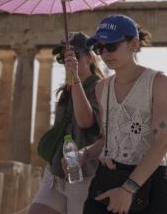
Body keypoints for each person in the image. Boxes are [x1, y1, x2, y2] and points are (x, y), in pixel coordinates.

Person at [79, 14, 167, 214]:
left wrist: (128, 189)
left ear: (133, 44)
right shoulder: (101, 88)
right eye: (99, 47)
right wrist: (84, 154)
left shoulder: (158, 82)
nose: (105, 53)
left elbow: (161, 142)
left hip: (149, 181)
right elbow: (109, 138)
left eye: (111, 46)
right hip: (108, 177)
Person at [28, 32, 104, 214]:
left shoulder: (99, 87)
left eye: (74, 55)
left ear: (89, 57)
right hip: (55, 174)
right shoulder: (66, 91)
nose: (68, 61)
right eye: (64, 58)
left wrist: (76, 78)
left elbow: (86, 123)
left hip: (84, 177)